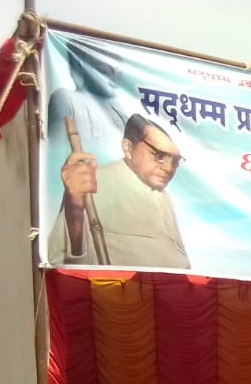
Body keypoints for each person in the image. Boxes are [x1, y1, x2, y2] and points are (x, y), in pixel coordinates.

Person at [49, 113, 191, 268]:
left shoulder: (162, 196)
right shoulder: (91, 183)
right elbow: (60, 260)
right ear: (128, 148)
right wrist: (74, 209)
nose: (169, 168)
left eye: (175, 160)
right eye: (160, 155)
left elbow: (179, 259)